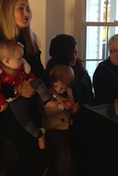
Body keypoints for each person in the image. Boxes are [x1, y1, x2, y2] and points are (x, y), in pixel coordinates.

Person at [0, 0, 50, 176]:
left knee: (28, 158)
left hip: (30, 109)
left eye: (27, 8)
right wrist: (17, 89)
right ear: (7, 13)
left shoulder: (29, 42)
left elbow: (40, 74)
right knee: (38, 157)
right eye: (20, 8)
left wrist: (55, 95)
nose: (26, 12)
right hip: (7, 113)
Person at [0, 39, 58, 150]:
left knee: (38, 81)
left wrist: (33, 82)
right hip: (15, 101)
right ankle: (39, 135)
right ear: (7, 61)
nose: (22, 61)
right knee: (24, 120)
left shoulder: (20, 67)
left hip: (28, 93)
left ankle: (47, 101)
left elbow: (30, 76)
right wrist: (2, 103)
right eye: (19, 58)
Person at [45, 34, 94, 176]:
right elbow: (43, 100)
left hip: (78, 120)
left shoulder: (81, 72)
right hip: (56, 125)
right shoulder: (51, 74)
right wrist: (57, 97)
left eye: (76, 52)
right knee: (62, 161)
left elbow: (89, 100)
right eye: (71, 54)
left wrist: (76, 108)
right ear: (62, 56)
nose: (75, 57)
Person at [42, 64, 79, 176]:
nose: (58, 90)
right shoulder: (47, 94)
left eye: (63, 87)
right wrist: (62, 106)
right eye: (55, 85)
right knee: (64, 160)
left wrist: (73, 109)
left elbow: (69, 112)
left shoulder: (69, 92)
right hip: (53, 131)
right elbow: (47, 112)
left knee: (64, 156)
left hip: (65, 130)